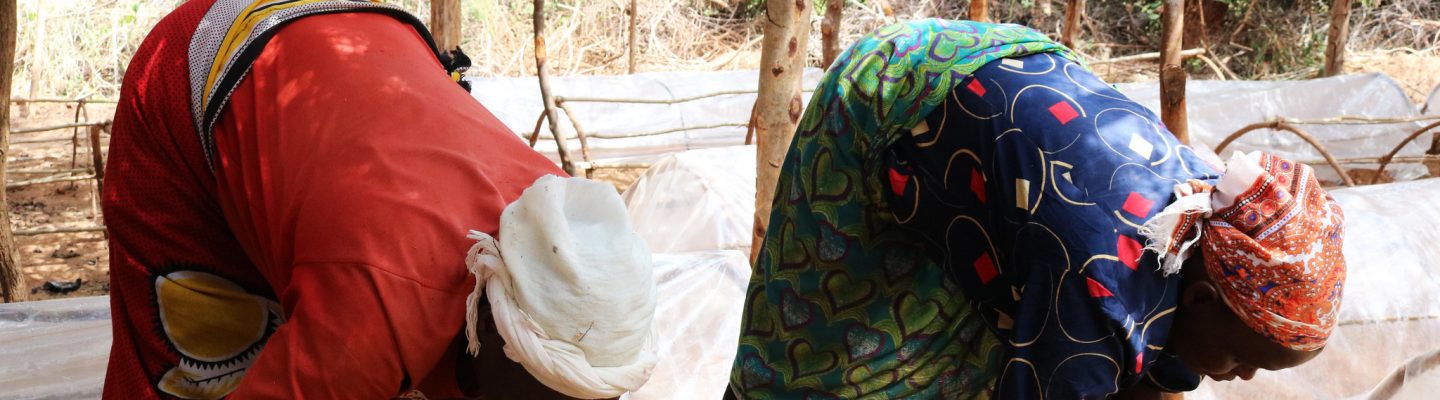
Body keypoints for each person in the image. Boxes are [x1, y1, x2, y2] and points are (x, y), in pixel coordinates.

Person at [731, 19, 1346, 399]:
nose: (1239, 379)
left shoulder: (1208, 220)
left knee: (986, 329)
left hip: (1011, 118)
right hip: (900, 86)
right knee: (825, 350)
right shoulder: (1100, 286)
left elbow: (1160, 367)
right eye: (1245, 363)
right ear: (1204, 298)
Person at [101, 1, 657, 398]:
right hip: (203, 67)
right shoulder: (376, 314)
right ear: (488, 328)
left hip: (364, 43)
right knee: (201, 355)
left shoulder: (561, 221)